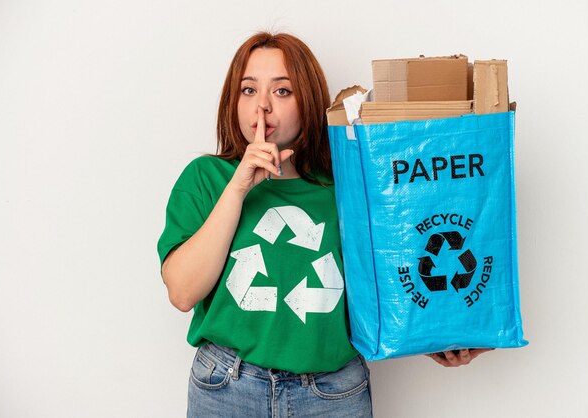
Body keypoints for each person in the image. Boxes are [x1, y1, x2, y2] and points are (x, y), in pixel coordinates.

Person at [157, 31, 488, 418]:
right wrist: (238, 187)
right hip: (227, 389)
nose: (261, 107)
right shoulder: (206, 178)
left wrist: (442, 336)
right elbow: (182, 292)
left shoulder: (350, 184)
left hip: (331, 395)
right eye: (248, 90)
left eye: (282, 92)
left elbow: (387, 284)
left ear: (309, 101)